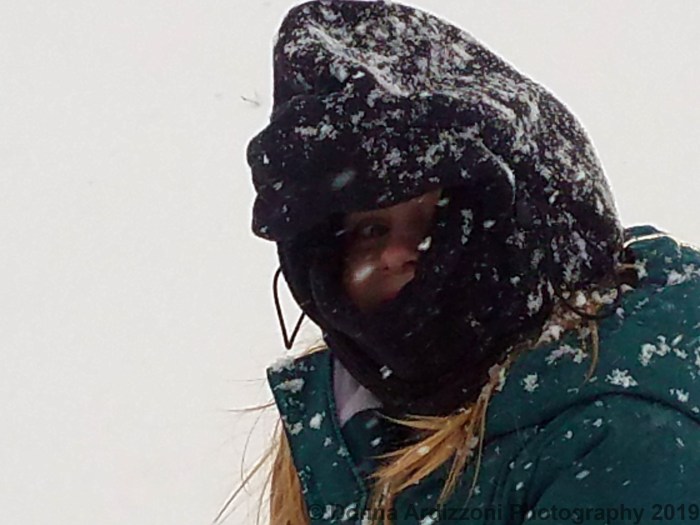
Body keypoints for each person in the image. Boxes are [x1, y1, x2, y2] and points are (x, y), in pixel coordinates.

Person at [220, 1, 700, 523]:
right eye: (371, 229)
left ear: (526, 238)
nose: (394, 253)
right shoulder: (348, 417)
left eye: (436, 222)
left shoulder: (619, 439)